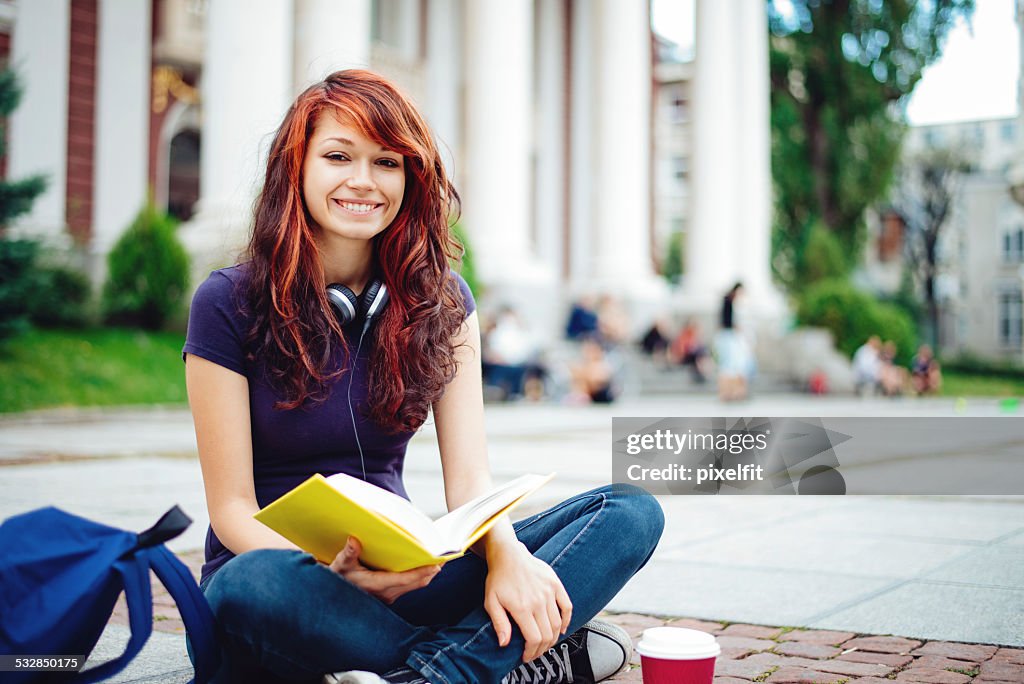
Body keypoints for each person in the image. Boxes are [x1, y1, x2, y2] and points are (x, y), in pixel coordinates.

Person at [182, 70, 663, 684]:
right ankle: (492, 664)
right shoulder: (229, 301)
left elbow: (469, 480)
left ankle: (425, 673)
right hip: (285, 580)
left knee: (630, 511)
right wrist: (335, 574)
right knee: (252, 587)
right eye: (337, 157)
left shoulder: (443, 302)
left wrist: (506, 555)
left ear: (411, 178)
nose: (363, 180)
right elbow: (231, 510)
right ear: (295, 169)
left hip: (408, 575)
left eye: (386, 162)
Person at [715, 282, 753, 402]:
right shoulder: (730, 302)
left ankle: (732, 392)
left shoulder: (728, 302)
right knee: (729, 366)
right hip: (729, 336)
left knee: (732, 366)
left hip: (729, 336)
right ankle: (728, 392)